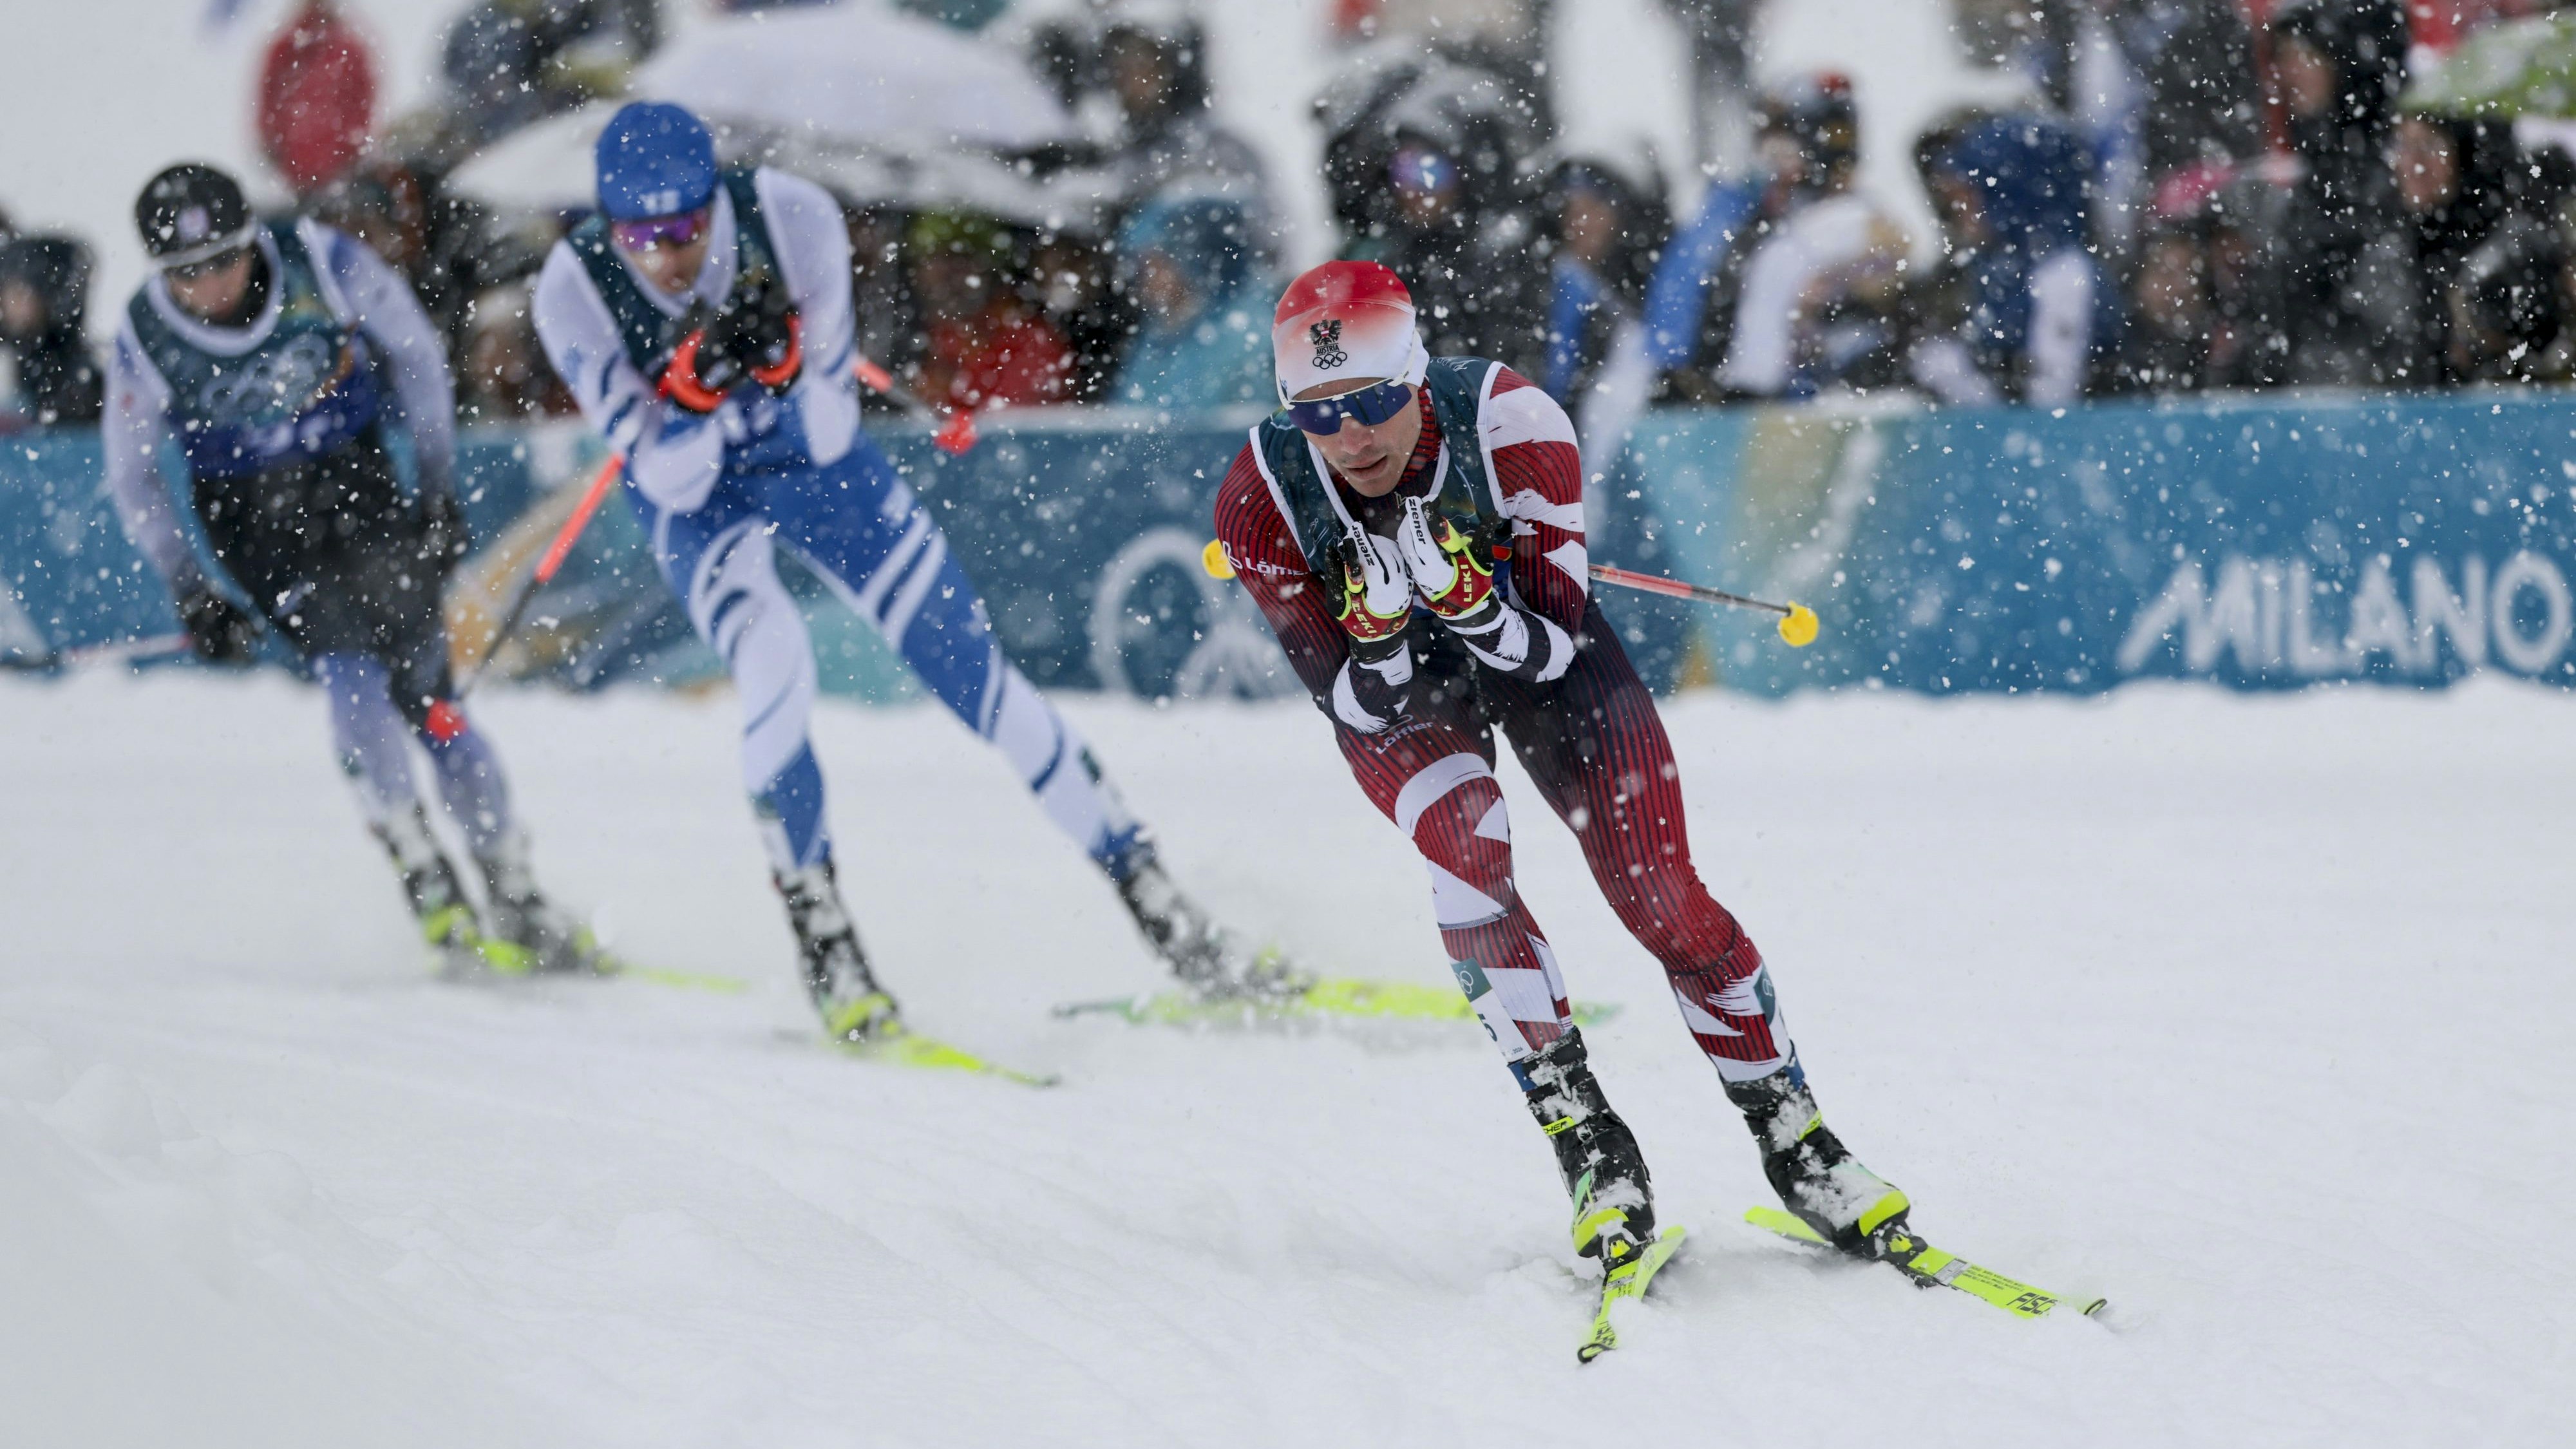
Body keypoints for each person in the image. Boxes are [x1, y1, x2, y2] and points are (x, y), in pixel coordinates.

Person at [529, 102, 1291, 1044]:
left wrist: (749, 381)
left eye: (684, 228)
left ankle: (1161, 905)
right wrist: (720, 386)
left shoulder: (791, 215)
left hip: (820, 476)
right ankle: (830, 947)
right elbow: (664, 475)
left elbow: (830, 427)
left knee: (977, 680)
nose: (663, 256)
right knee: (773, 667)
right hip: (703, 507)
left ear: (713, 202)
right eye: (636, 234)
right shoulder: (574, 287)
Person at [1211, 259, 1909, 1275]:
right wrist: (1385, 637)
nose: (1352, 436)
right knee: (1465, 848)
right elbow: (1351, 706)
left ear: (1414, 376)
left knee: (1660, 897)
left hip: (1540, 652)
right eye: (1319, 413)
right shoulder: (1262, 495)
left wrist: (1464, 603)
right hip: (1406, 692)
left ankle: (1799, 1142)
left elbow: (1549, 645)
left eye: (1371, 400)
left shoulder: (1511, 422)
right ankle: (1591, 1145)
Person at [101, 162, 592, 972]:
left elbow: (419, 358)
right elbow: (134, 475)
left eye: (222, 260)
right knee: (350, 670)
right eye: (186, 274)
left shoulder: (323, 263)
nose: (210, 285)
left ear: (251, 240)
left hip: (359, 493)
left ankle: (511, 885)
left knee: (432, 699)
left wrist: (436, 493)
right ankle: (421, 867)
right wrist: (192, 591)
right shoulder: (147, 334)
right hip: (257, 525)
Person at [1109, 191, 1273, 415]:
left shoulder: (1248, 338)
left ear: (1196, 258)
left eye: (1158, 263)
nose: (1145, 277)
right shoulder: (1160, 334)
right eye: (1141, 265)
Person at [0, 234, 104, 426]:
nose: (11, 304)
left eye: (23, 293)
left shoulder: (77, 382)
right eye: (6, 292)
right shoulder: (12, 355)